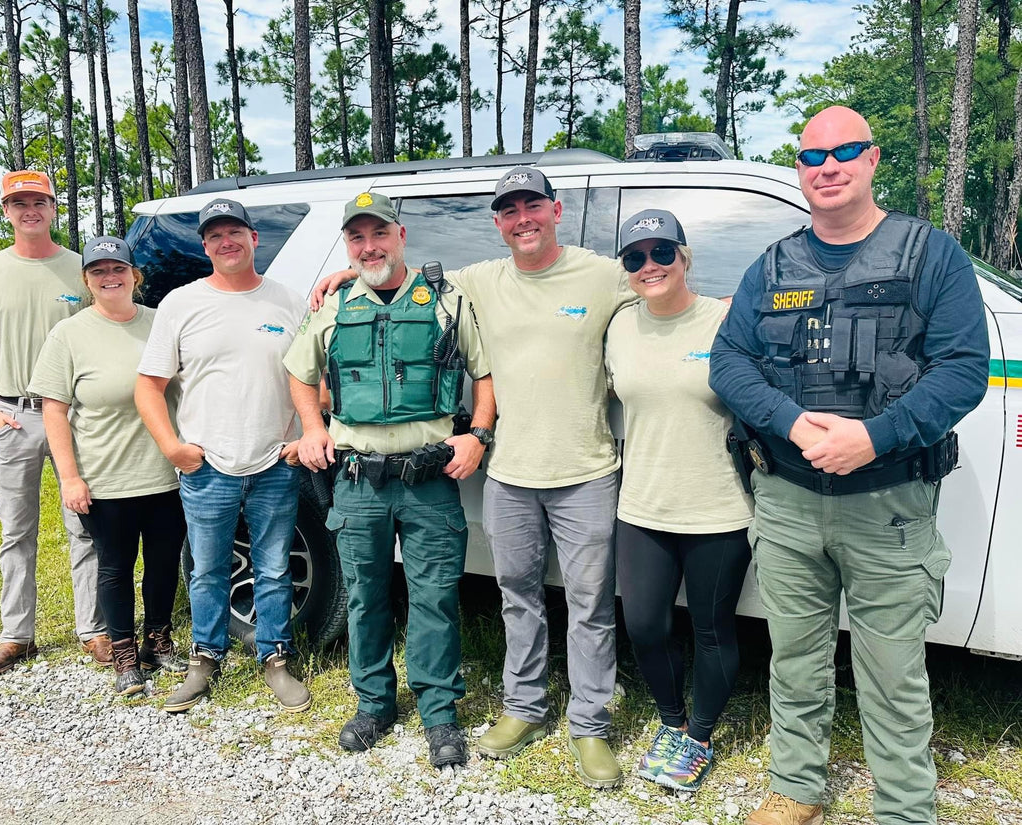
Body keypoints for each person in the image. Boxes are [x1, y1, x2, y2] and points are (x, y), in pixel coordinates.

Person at [709, 106, 989, 825]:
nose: (828, 167)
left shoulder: (932, 256)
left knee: (893, 674)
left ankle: (904, 807)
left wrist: (875, 436)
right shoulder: (771, 266)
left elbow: (963, 371)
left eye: (846, 151)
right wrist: (790, 421)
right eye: (812, 157)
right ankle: (797, 785)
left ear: (872, 160)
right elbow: (729, 362)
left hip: (887, 505)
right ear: (799, 169)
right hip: (787, 498)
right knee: (794, 659)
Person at [313, 168, 636, 788]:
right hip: (509, 472)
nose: (522, 219)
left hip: (587, 470)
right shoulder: (477, 281)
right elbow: (398, 279)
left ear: (556, 210)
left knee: (591, 604)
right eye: (509, 210)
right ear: (497, 222)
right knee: (519, 598)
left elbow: (664, 284)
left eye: (532, 206)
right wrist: (348, 274)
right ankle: (523, 709)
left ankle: (590, 725)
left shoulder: (602, 273)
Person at [286, 192, 494, 768]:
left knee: (434, 598)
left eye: (379, 234)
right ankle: (374, 703)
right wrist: (310, 428)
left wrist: (477, 434)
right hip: (356, 480)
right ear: (347, 245)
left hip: (429, 479)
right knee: (364, 596)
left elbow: (485, 373)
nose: (368, 246)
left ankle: (440, 713)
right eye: (357, 237)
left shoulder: (446, 300)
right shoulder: (332, 306)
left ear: (401, 235)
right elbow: (298, 372)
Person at [135, 198, 312, 714]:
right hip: (207, 465)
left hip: (276, 462)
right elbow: (149, 386)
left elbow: (309, 377)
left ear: (254, 239)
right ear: (205, 245)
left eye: (235, 231)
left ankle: (275, 658)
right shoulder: (181, 304)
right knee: (208, 569)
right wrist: (173, 447)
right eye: (214, 235)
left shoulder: (288, 302)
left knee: (275, 568)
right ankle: (204, 660)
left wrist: (304, 436)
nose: (226, 241)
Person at [605, 209, 754, 793]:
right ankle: (671, 722)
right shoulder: (618, 326)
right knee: (643, 624)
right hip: (643, 504)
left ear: (684, 258)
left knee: (713, 628)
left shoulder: (725, 321)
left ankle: (699, 735)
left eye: (662, 252)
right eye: (635, 257)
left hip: (718, 506)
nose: (650, 265)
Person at [0, 170, 110, 676]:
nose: (29, 211)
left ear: (53, 206)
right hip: (14, 416)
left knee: (85, 525)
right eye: (18, 203)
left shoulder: (80, 270)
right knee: (16, 530)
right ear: (5, 211)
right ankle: (17, 635)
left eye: (38, 201)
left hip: (76, 417)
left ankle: (94, 630)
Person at [29, 237, 188, 696]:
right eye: (98, 271)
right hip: (105, 478)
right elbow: (54, 409)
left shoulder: (161, 323)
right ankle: (123, 653)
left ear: (134, 275)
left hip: (166, 472)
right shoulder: (70, 334)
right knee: (115, 568)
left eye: (117, 269)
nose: (109, 277)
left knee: (162, 564)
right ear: (86, 281)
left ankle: (158, 640)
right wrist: (71, 477)